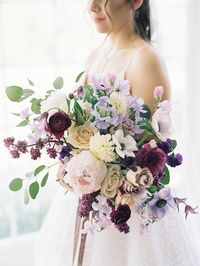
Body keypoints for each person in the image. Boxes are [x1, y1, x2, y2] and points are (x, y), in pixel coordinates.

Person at [33, 1, 199, 265]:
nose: (93, 7)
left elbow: (150, 150)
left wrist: (104, 165)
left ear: (135, 1)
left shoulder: (145, 58)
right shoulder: (96, 55)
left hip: (127, 208)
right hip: (87, 197)